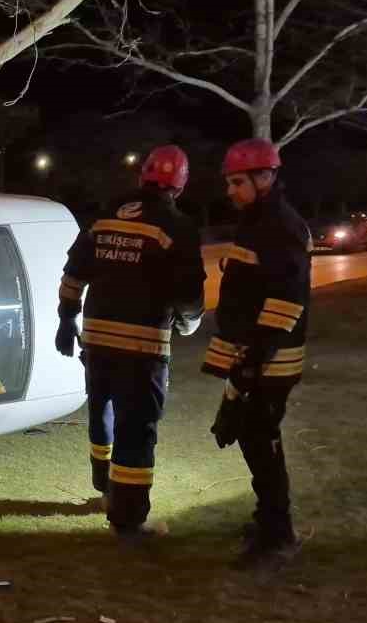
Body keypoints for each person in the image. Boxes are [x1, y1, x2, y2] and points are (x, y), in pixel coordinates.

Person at [57, 145, 206, 544]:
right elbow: (190, 294)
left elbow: (74, 272)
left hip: (97, 341)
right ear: (180, 184)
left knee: (101, 411)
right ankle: (128, 521)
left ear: (142, 177)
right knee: (136, 428)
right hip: (142, 347)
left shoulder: (104, 217)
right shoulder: (177, 226)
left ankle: (104, 489)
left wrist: (66, 317)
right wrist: (189, 325)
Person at [202, 138, 312, 570]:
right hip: (256, 355)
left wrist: (253, 360)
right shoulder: (259, 221)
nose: (230, 191)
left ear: (266, 177)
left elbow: (287, 299)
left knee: (260, 440)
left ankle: (278, 534)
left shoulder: (279, 226)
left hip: (271, 359)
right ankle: (268, 521)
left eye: (237, 182)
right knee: (252, 438)